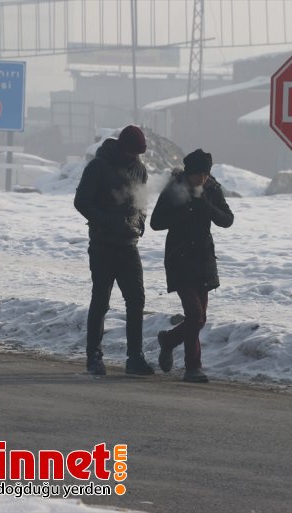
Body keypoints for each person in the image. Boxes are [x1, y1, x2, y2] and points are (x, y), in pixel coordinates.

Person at [74, 125, 154, 376]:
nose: (134, 157)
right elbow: (81, 201)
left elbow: (141, 201)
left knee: (136, 300)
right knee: (101, 300)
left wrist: (140, 222)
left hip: (128, 245)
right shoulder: (99, 166)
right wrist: (109, 221)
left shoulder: (139, 169)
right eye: (131, 152)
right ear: (122, 147)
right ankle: (94, 357)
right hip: (102, 244)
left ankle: (135, 357)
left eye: (138, 154)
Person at [150, 149, 234, 383]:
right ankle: (193, 367)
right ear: (188, 173)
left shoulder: (211, 189)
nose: (202, 179)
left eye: (206, 175)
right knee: (194, 314)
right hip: (179, 257)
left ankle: (168, 340)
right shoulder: (174, 188)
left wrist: (207, 207)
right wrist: (184, 211)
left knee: (199, 319)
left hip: (203, 258)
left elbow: (227, 220)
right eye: (198, 175)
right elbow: (156, 222)